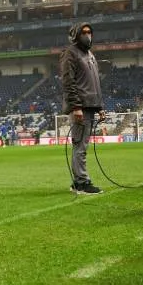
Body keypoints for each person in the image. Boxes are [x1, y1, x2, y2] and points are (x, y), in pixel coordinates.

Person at [60, 22, 104, 195]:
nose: (88, 35)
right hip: (80, 107)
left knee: (83, 146)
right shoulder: (70, 53)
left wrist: (100, 107)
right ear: (76, 35)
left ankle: (79, 181)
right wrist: (76, 106)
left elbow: (95, 83)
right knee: (80, 147)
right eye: (84, 32)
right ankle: (81, 183)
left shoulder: (90, 54)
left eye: (89, 32)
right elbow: (68, 81)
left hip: (91, 106)